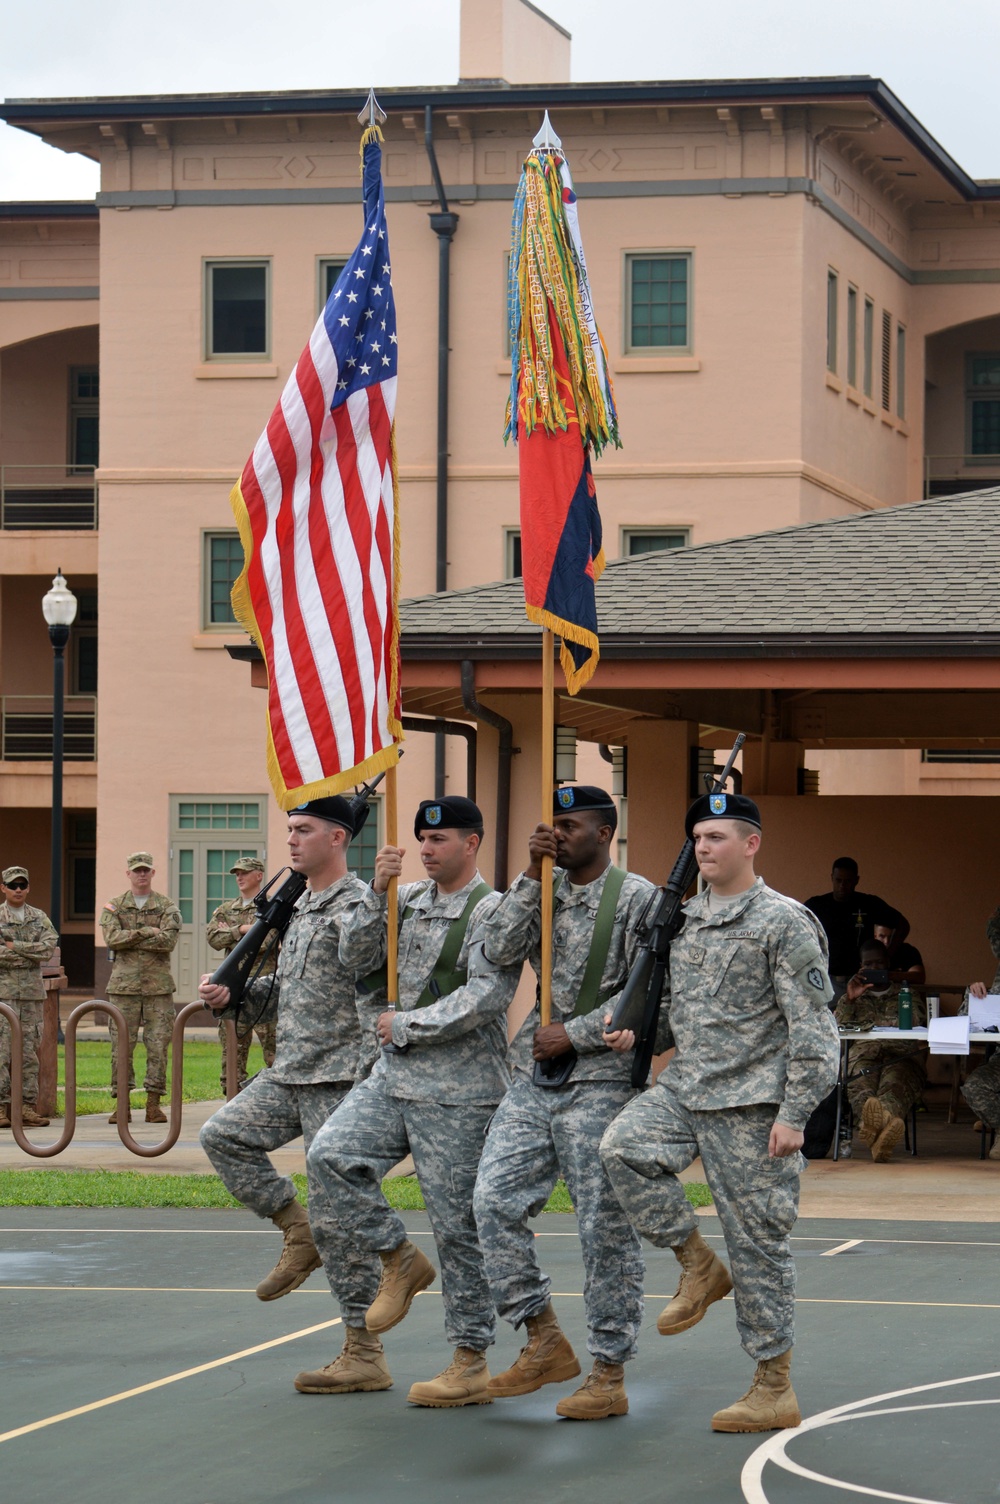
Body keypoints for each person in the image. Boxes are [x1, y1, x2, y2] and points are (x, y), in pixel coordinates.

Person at [600, 791, 839, 1434]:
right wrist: (640, 1030)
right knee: (621, 1147)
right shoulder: (686, 919)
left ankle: (772, 1384)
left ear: (751, 843)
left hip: (753, 1106)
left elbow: (815, 1029)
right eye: (697, 839)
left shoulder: (784, 921)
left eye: (717, 838)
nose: (703, 848)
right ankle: (697, 1264)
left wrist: (795, 1113)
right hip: (687, 1089)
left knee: (758, 1245)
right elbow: (691, 1010)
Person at [303, 796, 520, 1407]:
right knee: (330, 1155)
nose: (427, 850)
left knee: (458, 1230)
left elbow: (486, 996)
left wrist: (406, 1025)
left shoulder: (493, 911)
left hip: (460, 1091)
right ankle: (398, 1257)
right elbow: (357, 961)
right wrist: (375, 891)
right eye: (423, 840)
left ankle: (470, 1357)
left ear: (472, 843)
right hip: (393, 1078)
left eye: (441, 839)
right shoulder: (405, 901)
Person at [473, 786, 656, 1422]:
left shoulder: (639, 900)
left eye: (570, 826)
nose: (558, 834)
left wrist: (573, 1032)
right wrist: (528, 874)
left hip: (601, 1080)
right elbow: (495, 950)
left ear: (604, 833)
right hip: (536, 1076)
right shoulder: (541, 889)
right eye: (550, 824)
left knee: (601, 1227)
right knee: (491, 1201)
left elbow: (652, 998)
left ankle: (609, 1370)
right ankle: (542, 1337)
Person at [199, 798, 383, 1386]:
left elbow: (365, 968)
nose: (291, 841)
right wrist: (240, 994)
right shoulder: (301, 904)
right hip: (292, 1068)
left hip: (339, 1075)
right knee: (222, 1134)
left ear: (337, 838)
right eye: (289, 831)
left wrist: (377, 897)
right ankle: (292, 1226)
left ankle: (363, 1352)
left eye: (303, 831)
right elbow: (298, 982)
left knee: (342, 1218)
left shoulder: (358, 904)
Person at [100, 853, 181, 1125]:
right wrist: (148, 932)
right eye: (137, 871)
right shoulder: (115, 906)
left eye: (146, 870)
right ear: (129, 874)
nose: (141, 875)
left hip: (158, 989)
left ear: (153, 873)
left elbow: (168, 941)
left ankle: (153, 1104)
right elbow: (112, 939)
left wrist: (130, 937)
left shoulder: (166, 906)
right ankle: (121, 1105)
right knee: (121, 1047)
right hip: (124, 989)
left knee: (158, 1046)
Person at [834, 940, 927, 1162]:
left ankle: (873, 1130)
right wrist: (850, 998)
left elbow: (917, 1019)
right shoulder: (851, 995)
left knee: (894, 1087)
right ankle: (883, 1134)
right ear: (860, 966)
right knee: (860, 1089)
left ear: (888, 963)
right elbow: (836, 1028)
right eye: (869, 964)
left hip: (900, 1055)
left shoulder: (907, 993)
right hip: (863, 1057)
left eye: (879, 963)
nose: (874, 968)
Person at [206, 857, 278, 1095]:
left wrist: (237, 936)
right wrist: (243, 930)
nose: (239, 877)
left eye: (245, 872)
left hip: (267, 989)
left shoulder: (273, 908)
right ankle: (231, 1099)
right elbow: (214, 938)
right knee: (233, 1051)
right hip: (235, 987)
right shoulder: (227, 909)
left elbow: (272, 940)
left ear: (259, 875)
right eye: (237, 873)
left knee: (275, 1051)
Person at [0, 866, 58, 1128]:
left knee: (29, 1053)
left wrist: (14, 947)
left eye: (23, 885)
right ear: (3, 888)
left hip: (32, 996)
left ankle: (26, 1107)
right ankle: (1, 1109)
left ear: (29, 887)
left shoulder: (38, 916)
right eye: (13, 885)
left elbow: (48, 949)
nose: (18, 890)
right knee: (1, 1052)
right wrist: (27, 954)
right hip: (4, 995)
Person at [805, 858, 906, 988]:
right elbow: (795, 932)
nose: (842, 886)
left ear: (856, 880)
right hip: (825, 977)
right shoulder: (817, 905)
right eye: (838, 880)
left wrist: (888, 954)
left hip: (860, 978)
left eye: (848, 881)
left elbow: (903, 925)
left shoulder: (869, 903)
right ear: (832, 878)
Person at [873, 921, 925, 986]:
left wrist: (886, 976)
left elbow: (919, 977)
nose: (886, 941)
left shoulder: (908, 951)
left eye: (891, 937)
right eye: (882, 936)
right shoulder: (867, 952)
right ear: (875, 936)